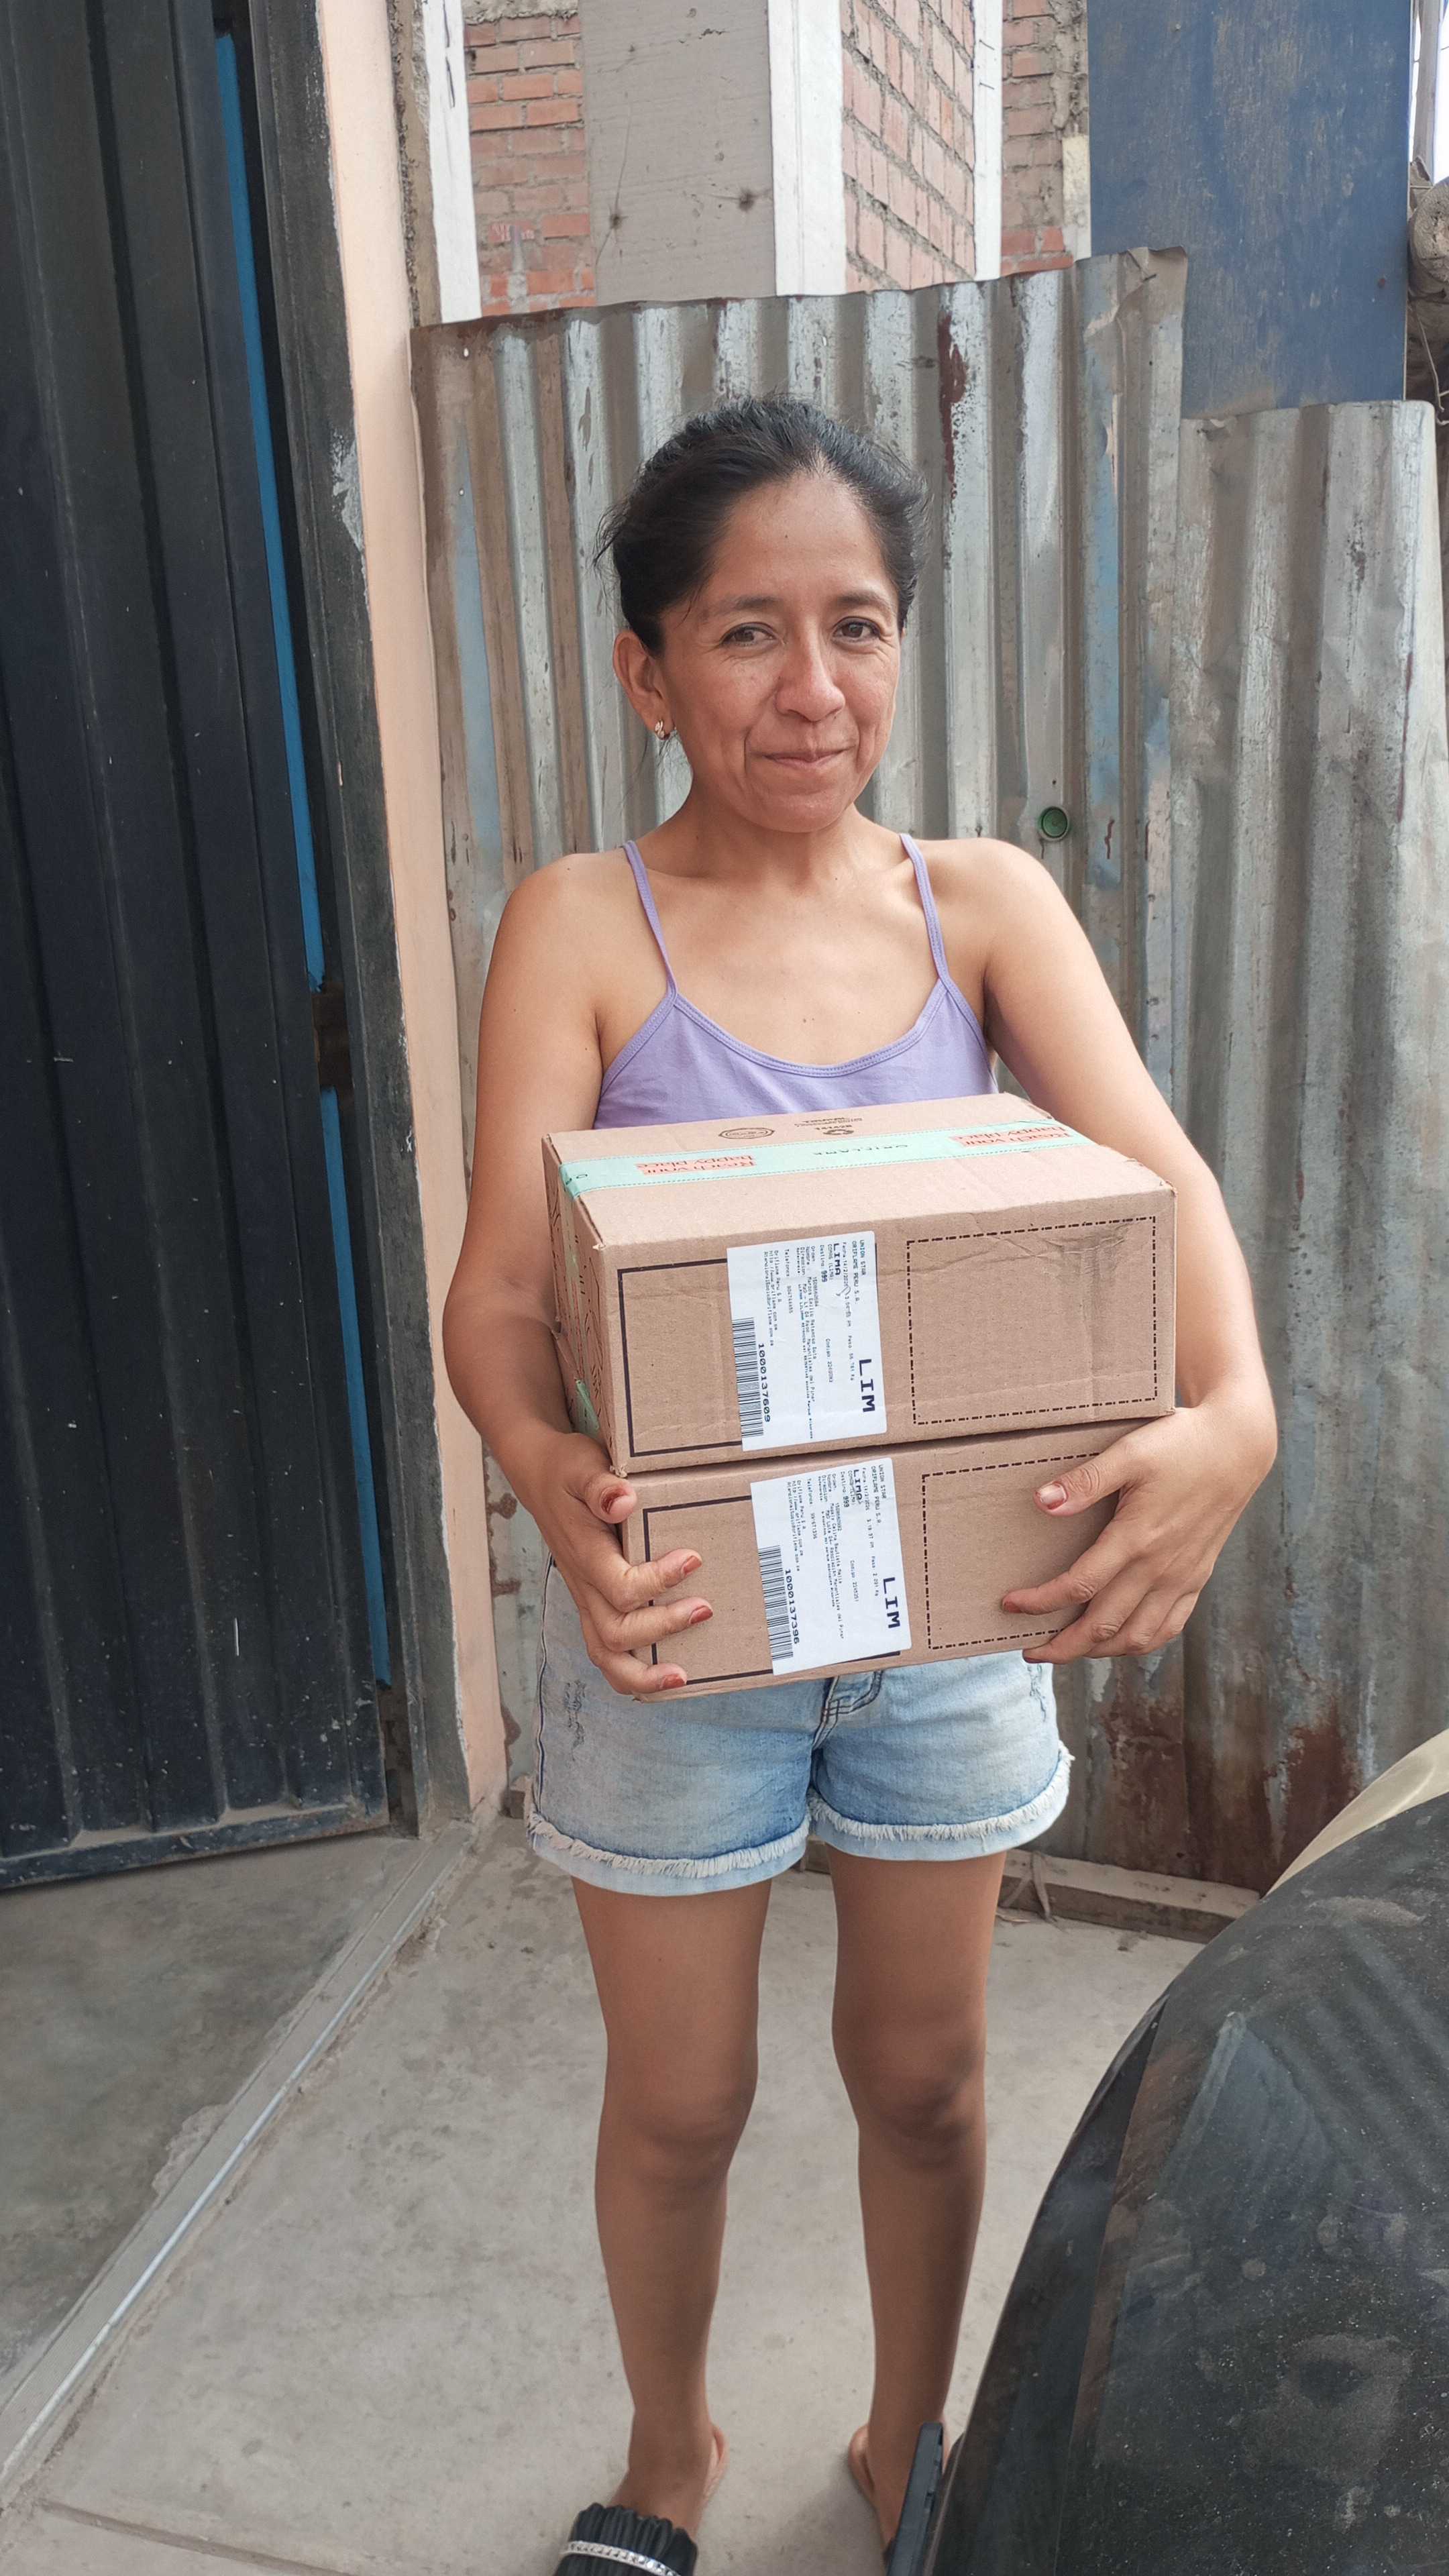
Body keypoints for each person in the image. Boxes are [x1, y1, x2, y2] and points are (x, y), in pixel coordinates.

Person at [443, 396, 1276, 2572]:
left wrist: (1238, 1414)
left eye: (858, 626)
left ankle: (910, 2443)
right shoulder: (585, 925)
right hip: (679, 1632)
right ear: (646, 672)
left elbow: (1162, 1175)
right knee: (682, 2103)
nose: (811, 688)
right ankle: (669, 2456)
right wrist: (547, 1472)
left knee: (923, 2081)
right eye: (746, 633)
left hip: (945, 1630)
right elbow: (502, 1295)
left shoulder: (979, 906)